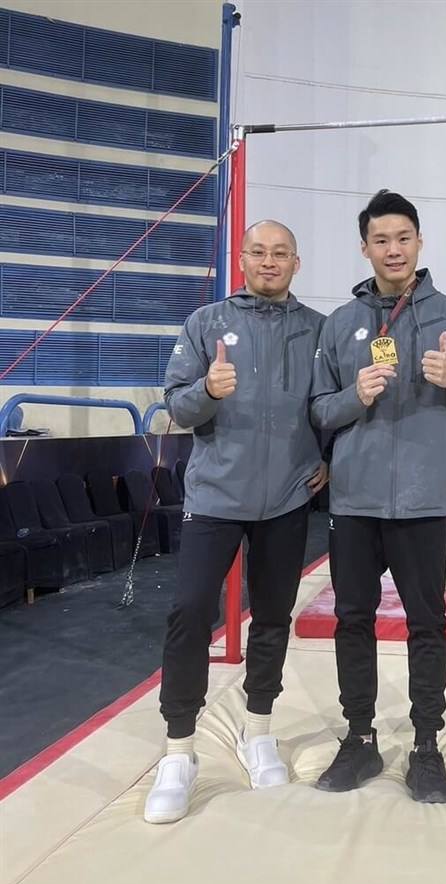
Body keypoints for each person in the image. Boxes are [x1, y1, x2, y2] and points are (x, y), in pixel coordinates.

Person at [310, 190, 446, 803]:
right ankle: (360, 740)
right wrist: (353, 397)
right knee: (352, 621)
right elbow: (318, 410)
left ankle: (425, 747)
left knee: (427, 623)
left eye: (403, 238)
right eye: (380, 240)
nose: (393, 249)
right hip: (356, 503)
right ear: (364, 248)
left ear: (419, 242)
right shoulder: (339, 325)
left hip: (422, 501)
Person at [144, 220, 327, 824]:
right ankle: (179, 752)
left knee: (274, 617)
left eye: (280, 254)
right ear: (242, 258)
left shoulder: (318, 331)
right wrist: (208, 389)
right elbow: (176, 404)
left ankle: (259, 729)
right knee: (190, 612)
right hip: (217, 497)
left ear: (296, 263)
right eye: (258, 252)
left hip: (286, 500)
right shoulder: (205, 323)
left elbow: (329, 408)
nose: (269, 262)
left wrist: (324, 457)